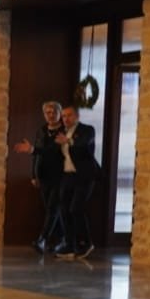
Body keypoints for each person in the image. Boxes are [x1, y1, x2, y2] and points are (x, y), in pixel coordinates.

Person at [11, 100, 65, 253]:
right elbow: (36, 156)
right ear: (44, 115)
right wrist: (34, 174)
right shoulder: (41, 131)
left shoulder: (64, 132)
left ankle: (42, 239)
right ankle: (62, 239)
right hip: (44, 175)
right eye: (48, 112)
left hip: (60, 175)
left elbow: (52, 151)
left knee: (53, 208)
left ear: (59, 114)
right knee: (51, 209)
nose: (51, 115)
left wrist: (33, 149)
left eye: (54, 112)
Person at [52, 102, 100, 260]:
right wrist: (33, 150)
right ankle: (69, 244)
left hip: (84, 176)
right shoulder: (61, 132)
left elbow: (82, 144)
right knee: (64, 209)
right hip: (67, 176)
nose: (66, 119)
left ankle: (85, 243)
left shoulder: (87, 130)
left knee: (75, 209)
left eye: (69, 115)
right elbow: (51, 151)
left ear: (77, 116)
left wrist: (68, 141)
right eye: (64, 116)